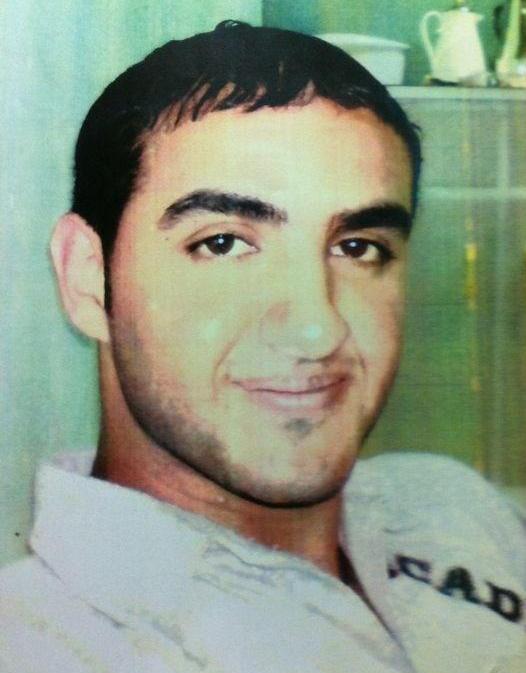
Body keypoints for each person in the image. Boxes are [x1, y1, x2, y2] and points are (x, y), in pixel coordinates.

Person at [0, 21, 525, 673]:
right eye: (222, 244)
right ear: (87, 277)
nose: (316, 329)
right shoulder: (38, 645)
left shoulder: (449, 504)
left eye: (358, 247)